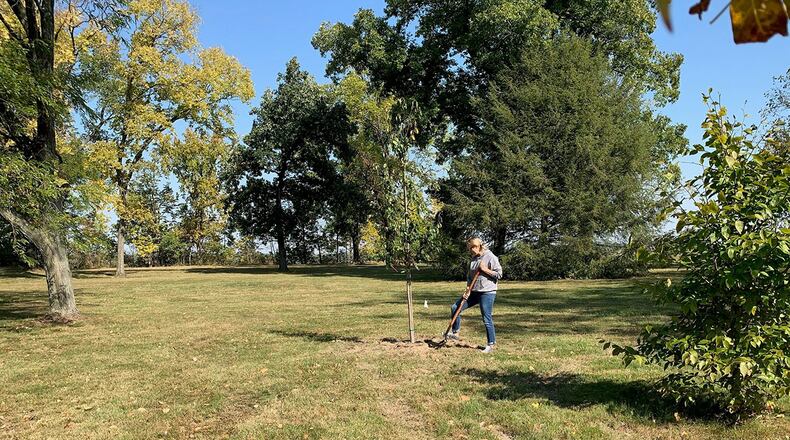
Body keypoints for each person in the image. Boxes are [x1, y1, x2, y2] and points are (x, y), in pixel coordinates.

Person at [447, 237, 503, 353]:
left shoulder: (490, 256)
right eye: (470, 249)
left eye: (473, 247)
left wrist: (485, 270)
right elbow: (470, 277)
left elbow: (499, 274)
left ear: (479, 246)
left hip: (487, 292)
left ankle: (490, 344)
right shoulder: (473, 259)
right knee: (455, 308)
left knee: (486, 318)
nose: (471, 250)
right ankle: (455, 332)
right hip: (473, 292)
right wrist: (468, 288)